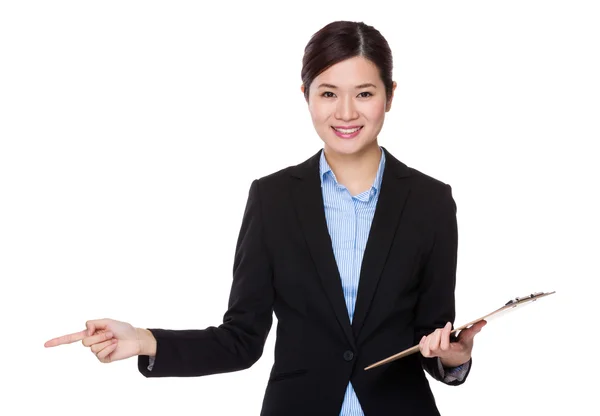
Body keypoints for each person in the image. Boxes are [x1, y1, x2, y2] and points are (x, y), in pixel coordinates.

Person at [44, 20, 486, 416]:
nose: (346, 112)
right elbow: (241, 339)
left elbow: (433, 338)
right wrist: (144, 340)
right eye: (328, 93)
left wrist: (453, 356)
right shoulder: (273, 199)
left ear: (390, 95)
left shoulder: (430, 201)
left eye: (365, 93)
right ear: (306, 95)